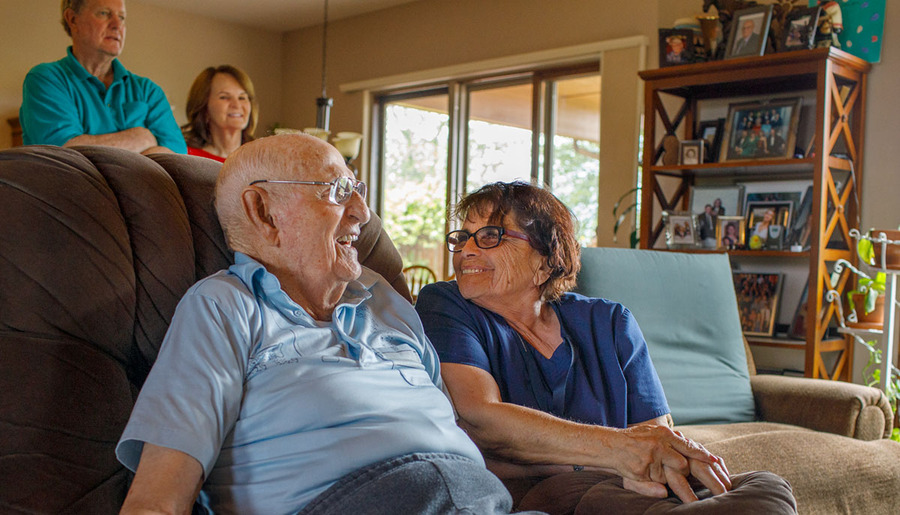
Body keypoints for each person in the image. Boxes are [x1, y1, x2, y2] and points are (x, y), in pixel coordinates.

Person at [115, 134, 533, 514]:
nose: (362, 213)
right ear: (263, 212)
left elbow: (454, 431)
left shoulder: (385, 298)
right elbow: (156, 499)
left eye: (357, 190)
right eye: (338, 191)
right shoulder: (222, 307)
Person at [415, 181, 797, 514]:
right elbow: (481, 419)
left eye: (489, 236)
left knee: (767, 487)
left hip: (631, 487)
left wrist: (558, 456)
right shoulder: (446, 306)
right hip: (546, 497)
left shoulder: (609, 321)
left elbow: (655, 438)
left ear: (546, 260)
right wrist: (613, 452)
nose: (465, 250)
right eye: (462, 237)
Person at [19, 0, 186, 155]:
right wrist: (141, 139)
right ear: (72, 19)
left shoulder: (149, 91)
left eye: (122, 17)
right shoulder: (46, 79)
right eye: (104, 13)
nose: (117, 25)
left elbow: (178, 161)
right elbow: (65, 156)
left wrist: (89, 145)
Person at [182, 65, 258, 162]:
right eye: (224, 97)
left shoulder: (261, 158)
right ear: (204, 107)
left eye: (242, 97)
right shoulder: (186, 156)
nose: (237, 105)